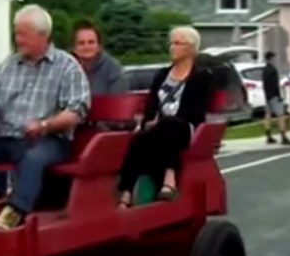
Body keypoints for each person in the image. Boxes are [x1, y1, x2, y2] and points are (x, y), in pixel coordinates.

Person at [0, 5, 91, 231]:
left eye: (23, 34)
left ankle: (13, 214)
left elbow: (76, 112)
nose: (17, 40)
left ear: (43, 36)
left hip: (48, 140)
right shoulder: (10, 64)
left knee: (33, 157)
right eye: (16, 33)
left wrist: (44, 124)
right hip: (6, 138)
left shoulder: (67, 66)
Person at [116, 26, 212, 207]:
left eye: (177, 43)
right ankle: (126, 192)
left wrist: (160, 122)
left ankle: (170, 179)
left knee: (170, 124)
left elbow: (195, 112)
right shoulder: (161, 74)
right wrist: (148, 121)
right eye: (171, 43)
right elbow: (152, 105)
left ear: (191, 49)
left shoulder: (201, 76)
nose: (172, 47)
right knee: (139, 138)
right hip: (160, 129)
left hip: (185, 128)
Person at [72, 20, 126, 94]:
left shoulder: (113, 69)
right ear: (74, 48)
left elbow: (119, 101)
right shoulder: (67, 69)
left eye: (91, 42)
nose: (86, 47)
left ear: (99, 46)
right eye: (81, 43)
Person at [261, 51, 290, 145]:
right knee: (281, 116)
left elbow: (265, 84)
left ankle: (268, 135)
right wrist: (279, 96)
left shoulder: (265, 70)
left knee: (268, 115)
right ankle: (283, 137)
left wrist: (267, 96)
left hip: (267, 96)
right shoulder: (273, 70)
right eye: (274, 58)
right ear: (271, 58)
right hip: (274, 96)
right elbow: (275, 85)